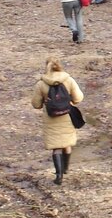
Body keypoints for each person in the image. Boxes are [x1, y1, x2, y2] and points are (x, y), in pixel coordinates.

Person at [30, 56, 84, 185]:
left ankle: (58, 175)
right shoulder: (69, 80)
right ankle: (66, 168)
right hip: (67, 115)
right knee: (67, 143)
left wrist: (45, 101)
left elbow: (36, 104)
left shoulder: (41, 84)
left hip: (51, 117)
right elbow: (78, 98)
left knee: (56, 147)